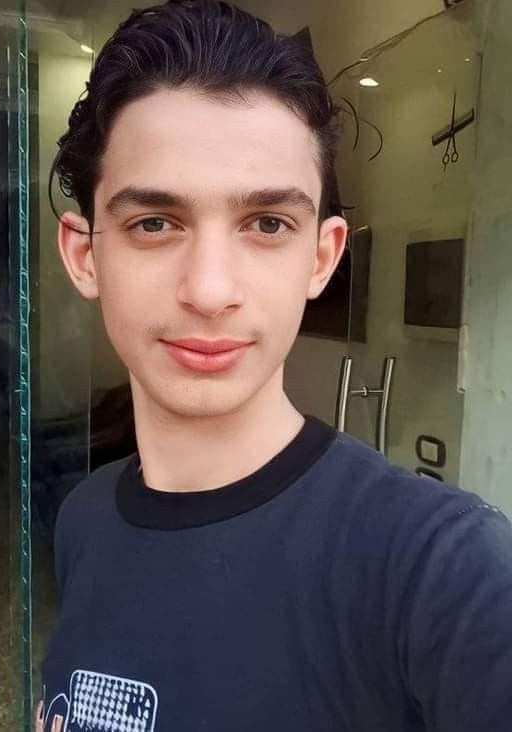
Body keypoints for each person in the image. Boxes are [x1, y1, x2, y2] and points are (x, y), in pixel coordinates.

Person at [36, 1, 512, 730]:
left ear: (321, 258)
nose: (210, 291)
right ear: (84, 255)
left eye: (267, 224)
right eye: (155, 223)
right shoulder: (84, 519)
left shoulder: (443, 569)